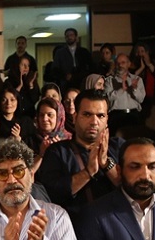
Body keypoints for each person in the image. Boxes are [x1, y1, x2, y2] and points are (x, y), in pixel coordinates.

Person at [39, 89, 123, 221]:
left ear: (107, 119)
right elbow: (53, 194)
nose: (94, 121)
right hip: (75, 226)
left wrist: (106, 164)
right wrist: (88, 172)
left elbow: (132, 188)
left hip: (116, 223)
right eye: (87, 114)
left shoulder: (119, 147)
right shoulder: (57, 152)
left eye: (100, 116)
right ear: (75, 117)